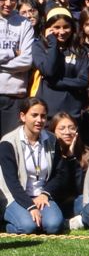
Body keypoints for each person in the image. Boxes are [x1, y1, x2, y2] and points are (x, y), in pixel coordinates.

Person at [1, 98, 67, 234]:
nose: (39, 120)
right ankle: (6, 224)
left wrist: (45, 194)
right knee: (27, 227)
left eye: (43, 116)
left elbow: (59, 173)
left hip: (41, 196)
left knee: (54, 226)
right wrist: (30, 206)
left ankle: (35, 221)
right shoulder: (8, 142)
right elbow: (11, 182)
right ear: (23, 116)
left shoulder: (52, 140)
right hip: (14, 196)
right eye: (34, 115)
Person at [0, 0, 37, 134]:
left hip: (14, 97)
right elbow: (19, 57)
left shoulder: (24, 24)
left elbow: (27, 60)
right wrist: (12, 53)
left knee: (9, 146)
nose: (8, 3)